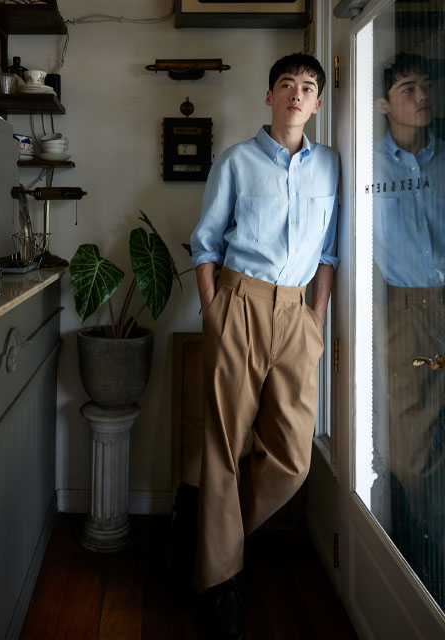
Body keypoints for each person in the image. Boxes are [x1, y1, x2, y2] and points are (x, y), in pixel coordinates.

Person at [189, 52, 340, 639]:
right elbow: (206, 243)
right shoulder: (235, 162)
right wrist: (213, 311)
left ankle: (209, 532)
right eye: (286, 85)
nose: (296, 94)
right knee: (224, 444)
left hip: (298, 315)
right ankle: (218, 581)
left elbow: (329, 253)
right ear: (270, 96)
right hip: (238, 305)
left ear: (318, 103)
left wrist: (316, 318)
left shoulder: (331, 166)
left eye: (308, 87)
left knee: (293, 459)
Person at [372, 52, 445, 608]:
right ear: (383, 105)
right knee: (410, 446)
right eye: (408, 89)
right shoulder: (368, 165)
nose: (422, 96)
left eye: (426, 86)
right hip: (404, 309)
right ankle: (433, 550)